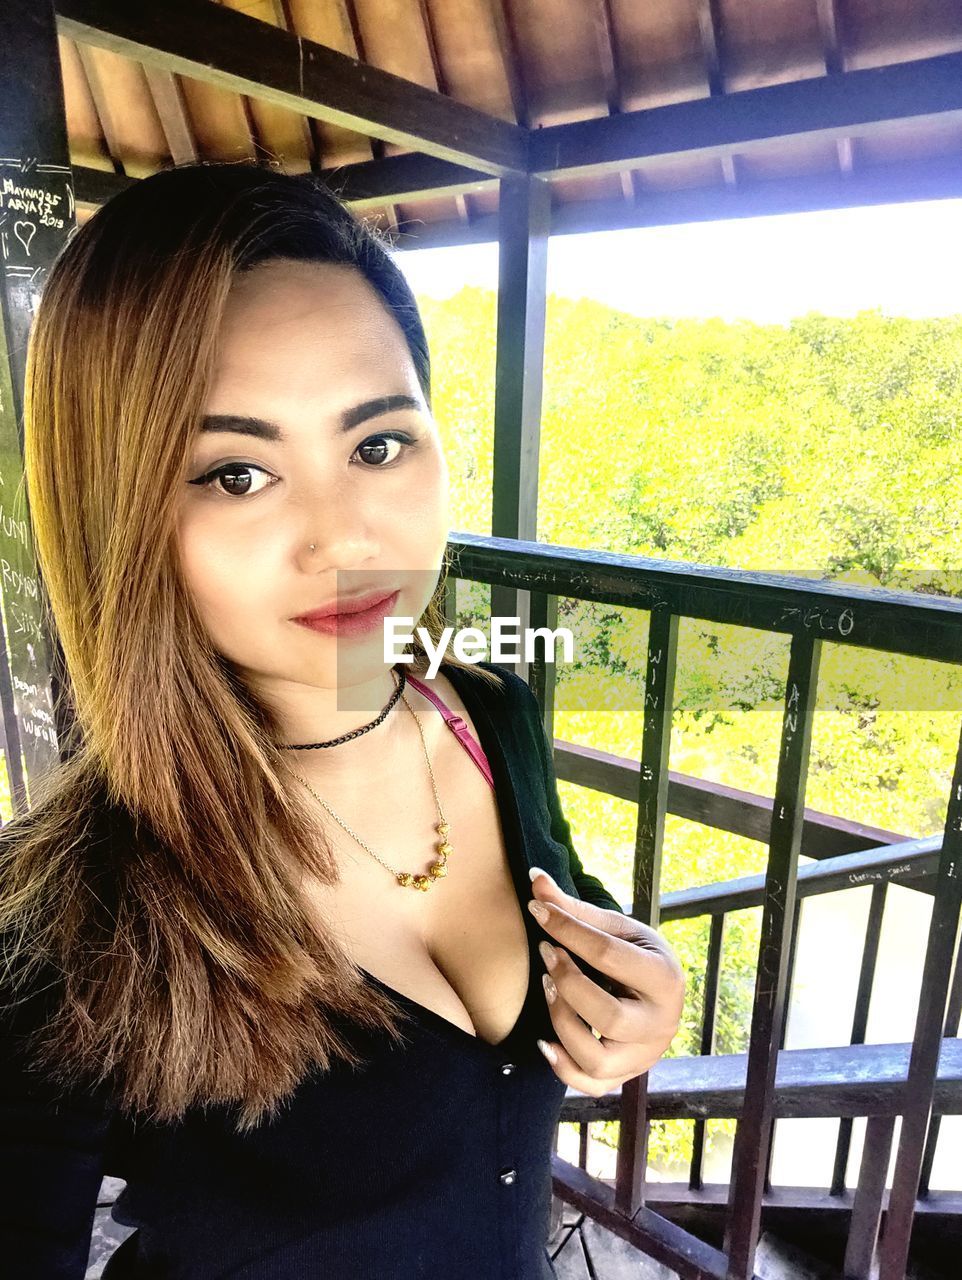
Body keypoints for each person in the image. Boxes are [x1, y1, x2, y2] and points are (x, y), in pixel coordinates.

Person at [0, 162, 685, 1279]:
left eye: (377, 444)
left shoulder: (485, 712)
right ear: (116, 510)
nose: (342, 538)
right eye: (233, 473)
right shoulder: (69, 927)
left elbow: (568, 911)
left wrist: (629, 987)